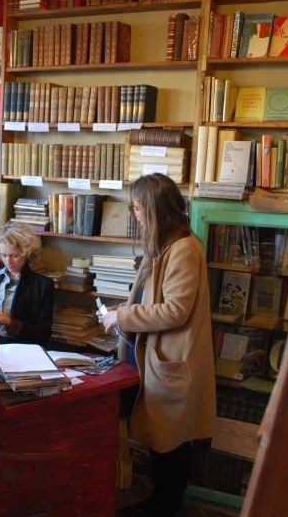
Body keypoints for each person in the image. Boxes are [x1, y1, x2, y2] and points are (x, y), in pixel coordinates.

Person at [98, 173, 216, 517]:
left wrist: (123, 318)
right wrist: (125, 311)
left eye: (137, 207)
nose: (134, 215)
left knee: (172, 442)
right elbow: (153, 299)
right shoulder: (165, 244)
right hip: (157, 358)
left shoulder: (183, 249)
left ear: (154, 209)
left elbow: (175, 310)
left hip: (173, 361)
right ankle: (163, 503)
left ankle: (167, 507)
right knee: (162, 441)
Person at [0, 222, 54, 347]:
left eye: (14, 256)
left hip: (18, 347)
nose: (8, 261)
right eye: (4, 255)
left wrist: (10, 322)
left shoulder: (42, 285)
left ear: (26, 253)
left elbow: (44, 333)